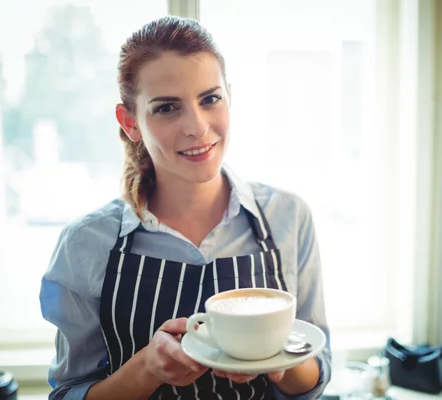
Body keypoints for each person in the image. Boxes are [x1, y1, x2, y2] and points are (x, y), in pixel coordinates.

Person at [40, 15, 331, 400]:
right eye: (166, 108)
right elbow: (67, 394)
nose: (197, 127)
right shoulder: (85, 244)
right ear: (130, 123)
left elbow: (316, 371)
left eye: (210, 99)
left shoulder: (289, 218)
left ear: (229, 95)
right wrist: (146, 369)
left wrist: (274, 358)